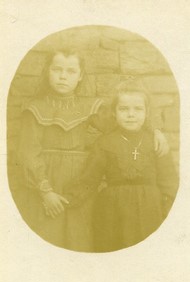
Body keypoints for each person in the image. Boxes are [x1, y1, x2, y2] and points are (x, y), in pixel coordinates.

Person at [17, 47, 169, 251]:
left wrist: (156, 130)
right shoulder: (34, 110)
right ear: (47, 72)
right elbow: (28, 154)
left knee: (81, 240)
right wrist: (46, 192)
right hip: (47, 181)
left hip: (83, 181)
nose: (63, 76)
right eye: (57, 69)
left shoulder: (93, 107)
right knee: (48, 240)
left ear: (80, 76)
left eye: (71, 71)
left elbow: (126, 120)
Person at [63, 79, 179, 252]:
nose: (131, 114)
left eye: (138, 109)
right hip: (113, 212)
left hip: (150, 211)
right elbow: (89, 179)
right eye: (124, 109)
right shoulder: (104, 143)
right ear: (114, 113)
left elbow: (169, 181)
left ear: (147, 112)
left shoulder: (155, 142)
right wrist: (67, 199)